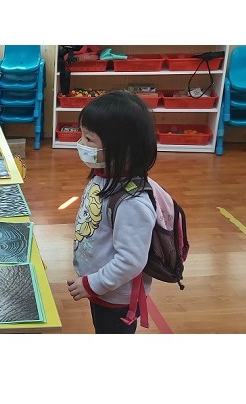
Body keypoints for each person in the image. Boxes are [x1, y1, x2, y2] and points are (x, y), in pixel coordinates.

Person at [67, 90, 158, 334]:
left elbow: (130, 261)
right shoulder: (104, 176)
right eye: (81, 135)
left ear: (121, 148)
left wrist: (92, 284)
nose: (80, 144)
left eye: (88, 138)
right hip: (102, 289)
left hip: (116, 298)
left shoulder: (133, 203)